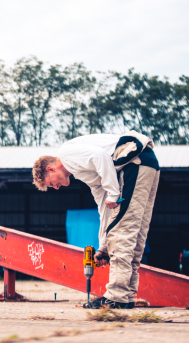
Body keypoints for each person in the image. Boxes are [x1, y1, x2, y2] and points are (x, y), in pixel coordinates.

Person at [32, 130, 160, 309]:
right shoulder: (83, 171)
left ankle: (117, 296)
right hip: (146, 163)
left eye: (51, 183)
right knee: (135, 231)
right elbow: (103, 206)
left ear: (50, 169)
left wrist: (114, 193)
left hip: (135, 162)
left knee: (122, 230)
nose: (56, 187)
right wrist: (103, 247)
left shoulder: (67, 154)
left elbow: (101, 156)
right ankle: (126, 295)